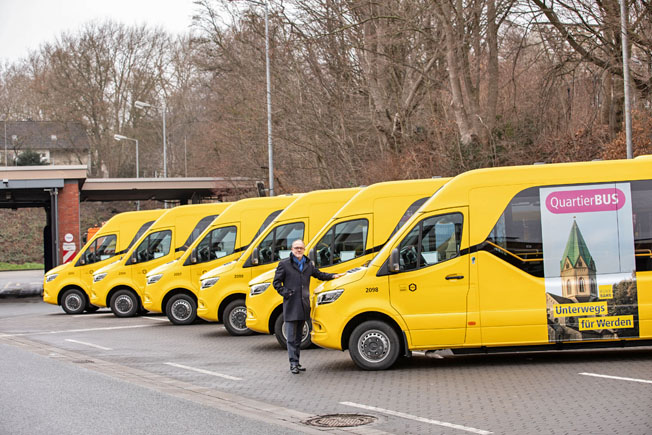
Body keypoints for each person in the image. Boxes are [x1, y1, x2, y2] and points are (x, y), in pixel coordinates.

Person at [273, 239, 344, 374]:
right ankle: (293, 363)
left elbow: (319, 275)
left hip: (304, 306)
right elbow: (276, 283)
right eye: (296, 248)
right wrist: (286, 293)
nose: (298, 250)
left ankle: (297, 362)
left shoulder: (308, 264)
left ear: (304, 250)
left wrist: (334, 276)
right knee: (291, 338)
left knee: (299, 337)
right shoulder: (284, 264)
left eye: (301, 248)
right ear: (292, 249)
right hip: (291, 305)